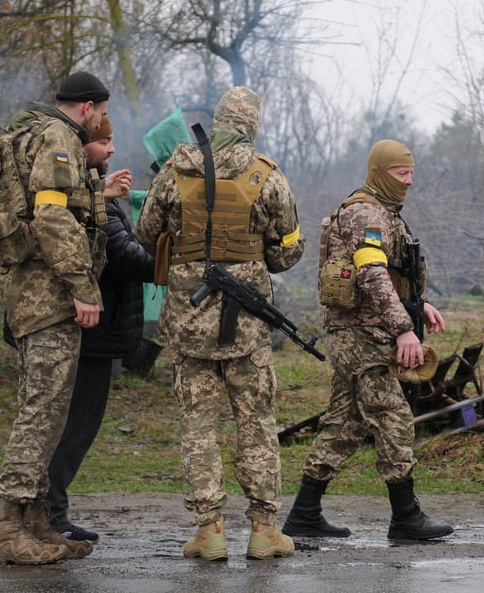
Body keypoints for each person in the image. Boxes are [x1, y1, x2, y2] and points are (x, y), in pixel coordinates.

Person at [135, 87, 305, 562]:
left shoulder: (175, 168)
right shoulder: (268, 175)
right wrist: (252, 253)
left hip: (187, 323)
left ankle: (209, 532)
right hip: (247, 328)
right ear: (252, 123)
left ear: (219, 121)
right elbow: (287, 251)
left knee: (198, 427)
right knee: (257, 423)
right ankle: (264, 531)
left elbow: (145, 233)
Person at [280, 139, 453, 542]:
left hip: (363, 331)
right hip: (361, 335)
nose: (408, 181)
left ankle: (304, 513)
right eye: (401, 173)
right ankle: (406, 517)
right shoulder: (366, 214)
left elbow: (391, 275)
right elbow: (372, 274)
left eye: (411, 173)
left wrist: (419, 305)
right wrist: (403, 328)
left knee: (344, 423)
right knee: (393, 416)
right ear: (379, 172)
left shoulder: (384, 212)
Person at [0, 71, 110, 565]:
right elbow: (53, 216)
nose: (99, 124)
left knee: (44, 410)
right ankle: (4, 530)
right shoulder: (58, 137)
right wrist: (83, 286)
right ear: (87, 107)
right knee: (42, 414)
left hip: (26, 290)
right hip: (48, 293)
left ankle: (34, 521)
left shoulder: (25, 133)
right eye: (100, 114)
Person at [45, 114, 155, 543]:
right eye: (103, 141)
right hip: (90, 333)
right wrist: (171, 261)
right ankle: (50, 514)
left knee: (71, 426)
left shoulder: (95, 192)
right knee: (73, 427)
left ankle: (51, 511)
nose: (111, 149)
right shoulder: (89, 197)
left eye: (111, 140)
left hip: (96, 332)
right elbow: (122, 255)